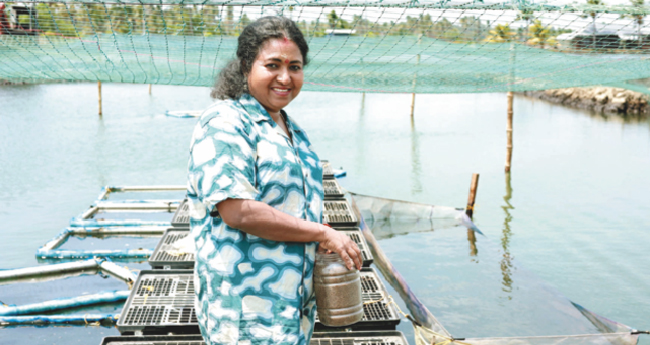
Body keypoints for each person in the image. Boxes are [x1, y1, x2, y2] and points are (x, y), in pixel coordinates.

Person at [187, 16, 362, 345]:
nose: (285, 77)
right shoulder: (226, 121)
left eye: (295, 67)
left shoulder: (291, 128)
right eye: (273, 65)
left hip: (292, 308)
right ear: (245, 67)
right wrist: (323, 232)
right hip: (247, 311)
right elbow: (237, 211)